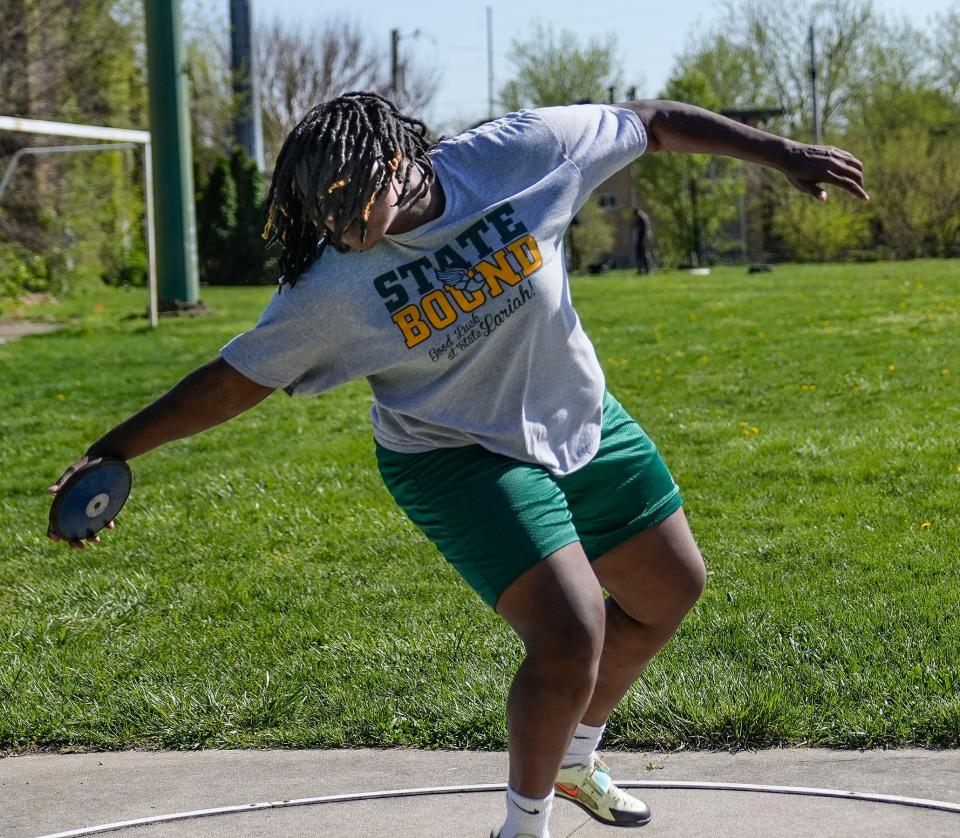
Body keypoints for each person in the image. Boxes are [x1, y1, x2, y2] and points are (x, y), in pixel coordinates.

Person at [47, 92, 868, 838]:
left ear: (402, 158)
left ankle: (576, 761)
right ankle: (523, 828)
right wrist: (114, 451)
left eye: (349, 191)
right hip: (452, 453)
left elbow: (649, 122)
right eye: (319, 204)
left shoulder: (523, 153)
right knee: (572, 629)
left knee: (670, 589)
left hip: (573, 412)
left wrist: (782, 153)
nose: (337, 216)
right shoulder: (330, 290)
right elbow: (230, 385)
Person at [632, 207, 653, 274]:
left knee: (644, 254)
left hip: (643, 238)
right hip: (644, 237)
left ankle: (646, 269)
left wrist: (643, 240)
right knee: (643, 254)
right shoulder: (642, 217)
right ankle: (643, 269)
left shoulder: (642, 218)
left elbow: (643, 229)